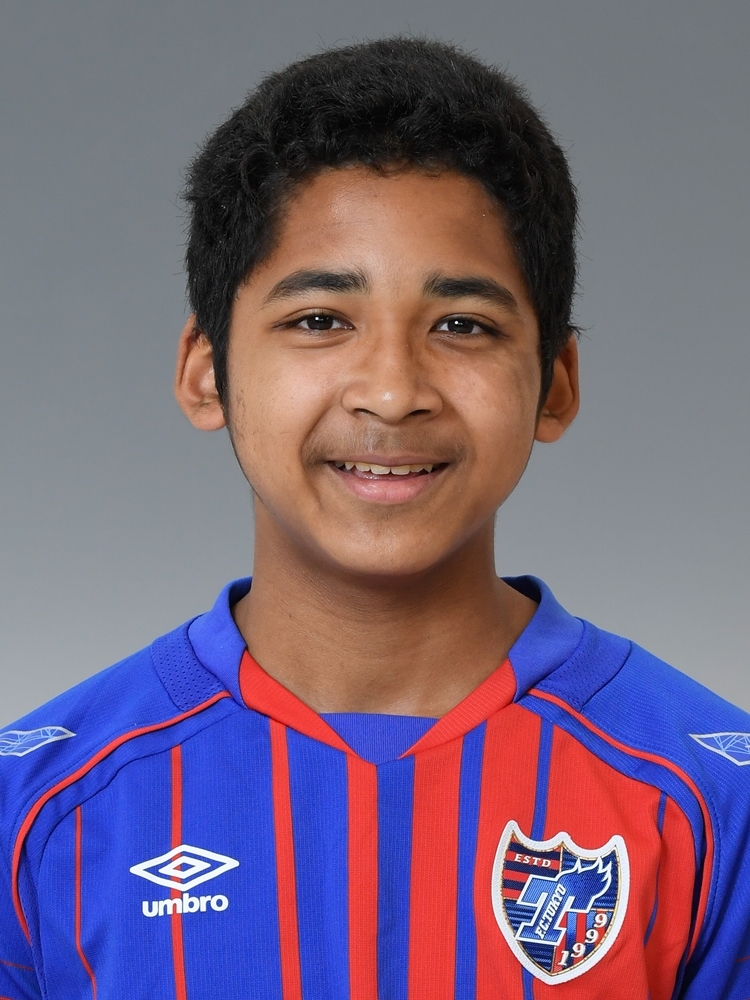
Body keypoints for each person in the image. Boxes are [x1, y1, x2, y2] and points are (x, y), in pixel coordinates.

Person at [0, 37, 748, 1000]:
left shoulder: (712, 801)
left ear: (556, 384)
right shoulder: (36, 806)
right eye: (319, 320)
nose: (392, 392)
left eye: (463, 326)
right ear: (206, 371)